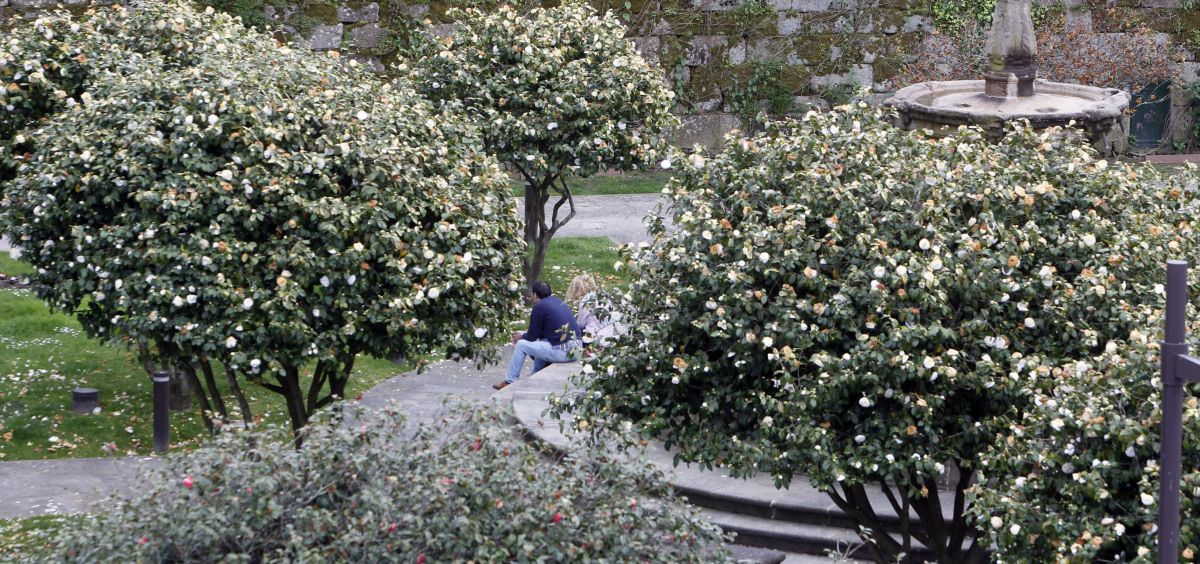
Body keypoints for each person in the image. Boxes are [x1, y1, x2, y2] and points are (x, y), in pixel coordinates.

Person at [493, 281, 582, 390]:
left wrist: (521, 336)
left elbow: (531, 337)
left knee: (521, 345)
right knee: (542, 342)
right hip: (577, 349)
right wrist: (524, 334)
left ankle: (509, 380)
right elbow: (541, 333)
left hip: (563, 352)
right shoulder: (558, 301)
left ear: (535, 294)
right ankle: (536, 374)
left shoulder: (539, 306)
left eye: (531, 294)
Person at [566, 274, 618, 349]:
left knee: (571, 328)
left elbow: (580, 324)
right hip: (608, 337)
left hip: (593, 340)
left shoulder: (585, 301)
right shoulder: (603, 296)